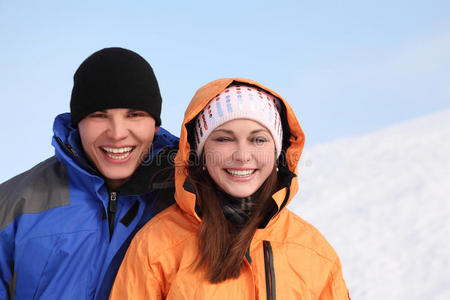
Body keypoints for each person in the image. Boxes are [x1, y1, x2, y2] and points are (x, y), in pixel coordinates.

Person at [110, 78, 350, 299]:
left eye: (258, 139)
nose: (242, 156)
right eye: (224, 139)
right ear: (200, 153)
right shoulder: (157, 244)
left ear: (277, 153)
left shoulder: (312, 250)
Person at [0, 47, 178, 300]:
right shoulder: (12, 205)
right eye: (99, 115)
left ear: (155, 124)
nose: (117, 133)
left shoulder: (187, 200)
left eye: (134, 115)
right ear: (78, 122)